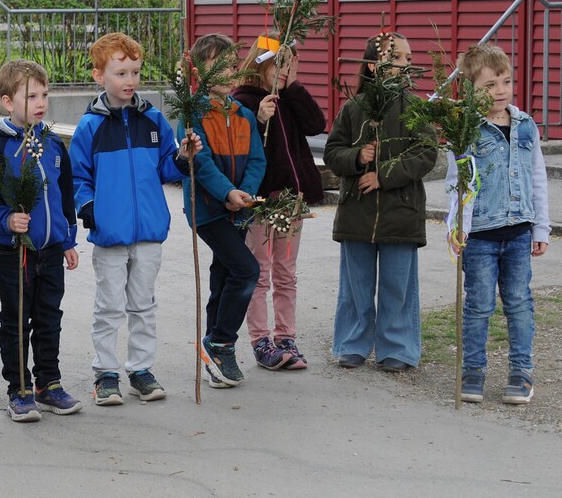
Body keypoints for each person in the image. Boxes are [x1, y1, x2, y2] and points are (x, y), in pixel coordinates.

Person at [69, 32, 200, 405]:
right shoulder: (90, 127)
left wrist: (183, 157)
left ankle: (141, 370)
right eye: (121, 73)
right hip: (110, 232)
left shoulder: (154, 120)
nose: (130, 80)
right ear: (99, 76)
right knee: (109, 306)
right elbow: (77, 177)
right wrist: (89, 208)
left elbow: (167, 169)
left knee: (144, 304)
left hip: (149, 232)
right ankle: (106, 373)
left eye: (135, 72)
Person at [0, 59, 82, 422]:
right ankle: (19, 389)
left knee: (50, 318)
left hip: (50, 250)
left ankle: (48, 384)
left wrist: (68, 240)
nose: (40, 103)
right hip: (14, 252)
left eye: (44, 95)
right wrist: (6, 220)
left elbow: (65, 196)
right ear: (8, 102)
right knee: (17, 320)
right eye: (31, 96)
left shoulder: (54, 145)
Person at [323, 31, 436, 372]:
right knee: (355, 285)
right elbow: (332, 152)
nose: (406, 64)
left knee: (397, 286)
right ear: (373, 65)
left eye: (408, 59)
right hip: (357, 212)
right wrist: (358, 157)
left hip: (401, 212)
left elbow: (426, 153)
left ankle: (397, 348)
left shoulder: (414, 108)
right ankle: (352, 343)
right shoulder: (353, 107)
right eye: (397, 57)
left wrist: (382, 174)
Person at [447, 44, 549, 405]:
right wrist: (455, 227)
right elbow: (456, 183)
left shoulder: (526, 126)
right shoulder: (465, 130)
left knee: (519, 302)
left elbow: (537, 178)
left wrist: (541, 227)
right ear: (471, 89)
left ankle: (521, 372)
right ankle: (473, 371)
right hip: (480, 236)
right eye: (489, 85)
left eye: (505, 81)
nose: (500, 91)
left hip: (519, 232)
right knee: (478, 305)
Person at [177, 34, 265, 388]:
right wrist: (226, 192)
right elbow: (201, 163)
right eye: (219, 66)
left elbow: (257, 160)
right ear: (199, 72)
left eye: (232, 65)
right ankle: (221, 342)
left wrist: (245, 193)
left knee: (225, 277)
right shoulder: (193, 114)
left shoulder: (243, 115)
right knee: (247, 270)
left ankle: (213, 354)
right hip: (209, 210)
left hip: (238, 209)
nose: (229, 72)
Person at [234, 37, 326, 371]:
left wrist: (295, 85)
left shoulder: (290, 97)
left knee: (286, 272)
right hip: (261, 200)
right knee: (259, 271)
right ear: (262, 62)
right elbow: (241, 148)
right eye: (279, 63)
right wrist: (259, 119)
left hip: (292, 199)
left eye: (291, 63)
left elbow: (317, 125)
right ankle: (261, 341)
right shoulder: (244, 99)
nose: (285, 70)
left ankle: (286, 337)